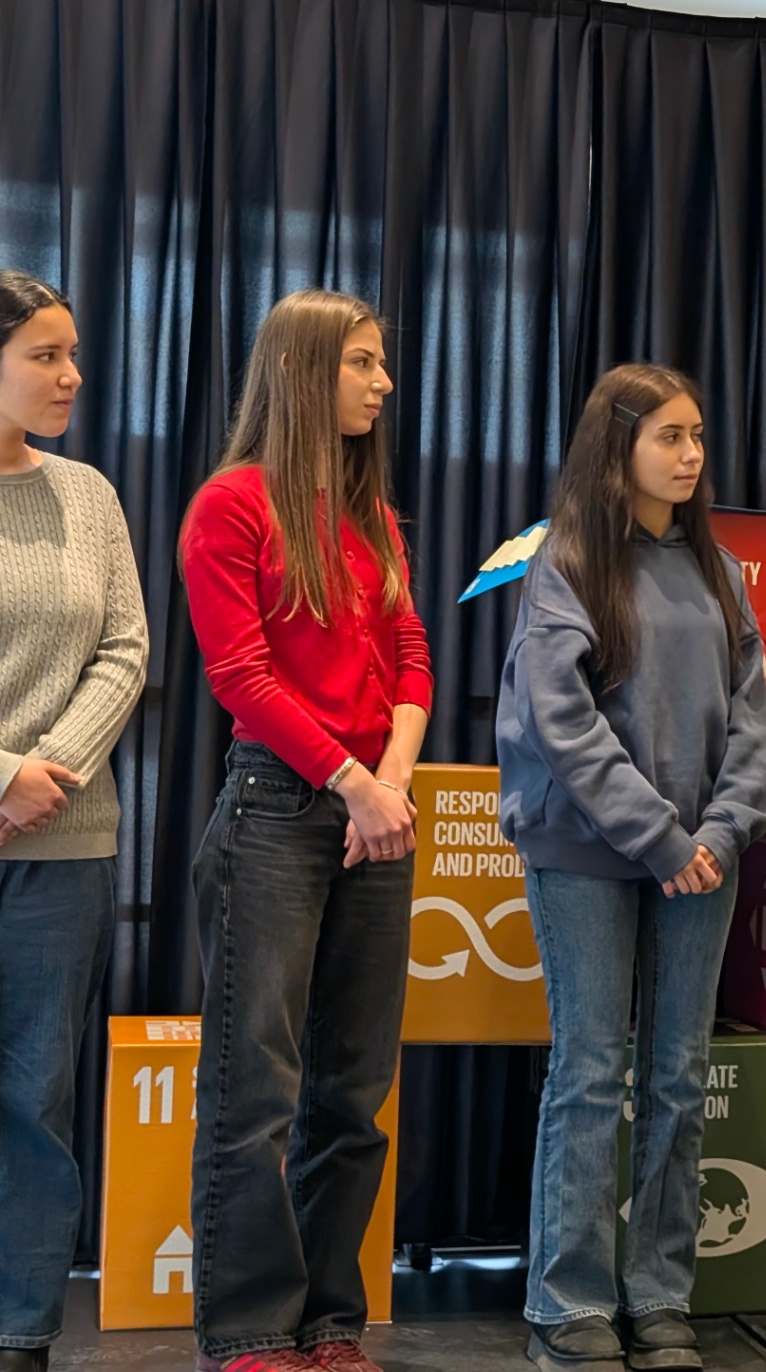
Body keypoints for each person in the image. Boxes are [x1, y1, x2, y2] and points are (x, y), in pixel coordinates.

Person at [496, 363, 766, 1372]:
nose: (691, 455)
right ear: (618, 449)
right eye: (669, 437)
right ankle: (567, 1303)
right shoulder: (564, 563)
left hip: (706, 855)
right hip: (590, 852)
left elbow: (753, 716)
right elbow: (560, 722)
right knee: (590, 1071)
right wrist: (662, 837)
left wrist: (723, 830)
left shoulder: (722, 572)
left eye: (698, 435)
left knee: (678, 1075)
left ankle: (659, 1291)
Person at [180, 290, 431, 1372]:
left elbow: (414, 657)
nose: (382, 384)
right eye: (364, 363)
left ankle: (332, 1321)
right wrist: (349, 782)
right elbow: (241, 674)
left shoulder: (372, 518)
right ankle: (248, 1330)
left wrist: (390, 783)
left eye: (383, 366)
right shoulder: (230, 506)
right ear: (302, 371)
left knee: (355, 1091)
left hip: (376, 812)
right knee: (255, 1091)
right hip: (280, 814)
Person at [0, 272, 148, 1372]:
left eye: (74, 353)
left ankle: (22, 1333)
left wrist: (47, 771)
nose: (71, 377)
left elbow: (128, 649)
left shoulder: (90, 494)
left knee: (35, 1099)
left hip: (67, 843)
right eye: (46, 354)